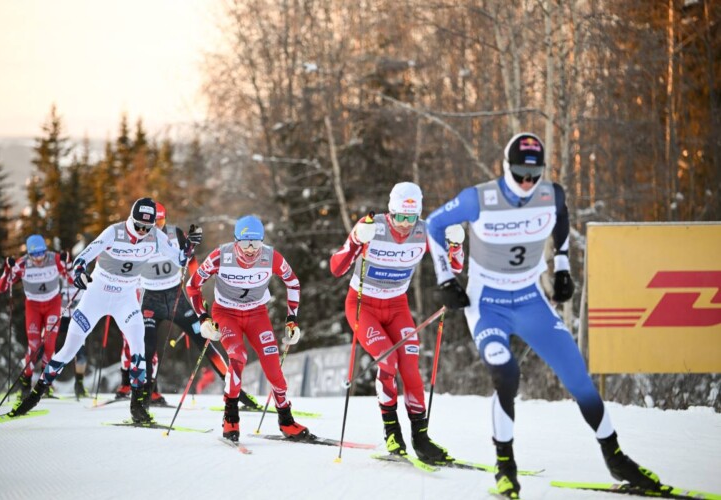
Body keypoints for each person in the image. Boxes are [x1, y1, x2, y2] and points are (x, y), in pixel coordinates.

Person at [426, 132, 661, 497]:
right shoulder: (479, 198)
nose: (526, 182)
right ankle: (505, 468)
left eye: (533, 175)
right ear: (505, 167)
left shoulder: (552, 194)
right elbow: (434, 224)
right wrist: (445, 278)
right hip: (488, 304)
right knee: (506, 373)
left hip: (531, 299)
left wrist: (563, 267)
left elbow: (562, 216)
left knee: (578, 376)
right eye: (519, 173)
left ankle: (615, 456)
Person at [10, 198, 201, 424]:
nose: (142, 231)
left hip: (126, 298)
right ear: (131, 219)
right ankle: (34, 396)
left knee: (139, 350)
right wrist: (80, 273)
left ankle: (138, 408)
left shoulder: (156, 236)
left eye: (147, 227)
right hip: (97, 296)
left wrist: (189, 246)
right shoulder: (114, 232)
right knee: (68, 350)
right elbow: (83, 258)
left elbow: (179, 259)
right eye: (138, 225)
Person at [329, 182, 465, 465]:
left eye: (411, 218)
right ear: (390, 213)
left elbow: (454, 267)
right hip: (362, 305)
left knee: (411, 369)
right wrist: (356, 239)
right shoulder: (372, 227)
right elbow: (337, 268)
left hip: (397, 306)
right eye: (399, 217)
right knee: (387, 361)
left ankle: (421, 437)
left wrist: (455, 244)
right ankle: (392, 433)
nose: (404, 225)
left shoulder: (424, 231)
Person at [114, 202, 263, 410]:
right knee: (147, 349)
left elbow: (191, 262)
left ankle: (236, 391)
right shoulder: (137, 240)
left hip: (176, 297)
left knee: (205, 341)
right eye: (153, 223)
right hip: (150, 301)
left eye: (161, 221)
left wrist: (197, 290)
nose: (157, 227)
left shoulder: (176, 234)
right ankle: (145, 396)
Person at [185, 215, 308, 443]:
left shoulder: (271, 257)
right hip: (226, 313)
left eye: (256, 244)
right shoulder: (221, 256)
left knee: (274, 368)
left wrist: (292, 319)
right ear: (235, 242)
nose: (250, 250)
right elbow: (192, 286)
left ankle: (286, 420)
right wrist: (203, 318)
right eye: (244, 244)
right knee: (238, 356)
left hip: (256, 315)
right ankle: (231, 415)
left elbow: (293, 282)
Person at [0, 234, 71, 398]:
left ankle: (45, 384)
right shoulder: (22, 264)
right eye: (34, 255)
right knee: (34, 345)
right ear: (29, 254)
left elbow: (71, 277)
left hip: (53, 304)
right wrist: (7, 269)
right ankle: (26, 382)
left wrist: (68, 262)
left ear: (46, 250)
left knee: (50, 345)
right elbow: (2, 287)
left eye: (41, 253)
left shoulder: (54, 259)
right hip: (33, 306)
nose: (38, 258)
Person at [57, 251, 89, 399]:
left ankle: (79, 384)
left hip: (76, 317)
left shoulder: (79, 273)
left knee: (80, 353)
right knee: (47, 348)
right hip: (59, 317)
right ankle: (43, 384)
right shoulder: (57, 276)